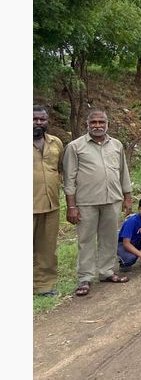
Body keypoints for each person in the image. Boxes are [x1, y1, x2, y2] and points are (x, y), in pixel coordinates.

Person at [63, 108, 133, 297]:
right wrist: (71, 206)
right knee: (86, 240)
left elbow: (123, 173)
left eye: (101, 122)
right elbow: (69, 179)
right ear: (87, 125)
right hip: (86, 202)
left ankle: (107, 272)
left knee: (109, 237)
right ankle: (85, 277)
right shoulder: (75, 146)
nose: (97, 126)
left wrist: (127, 197)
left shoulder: (116, 145)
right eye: (93, 122)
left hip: (112, 200)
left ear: (107, 124)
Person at [33, 106, 64, 296]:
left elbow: (60, 169)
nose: (38, 123)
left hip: (51, 204)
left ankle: (43, 286)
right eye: (34, 119)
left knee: (47, 249)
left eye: (42, 119)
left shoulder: (56, 143)